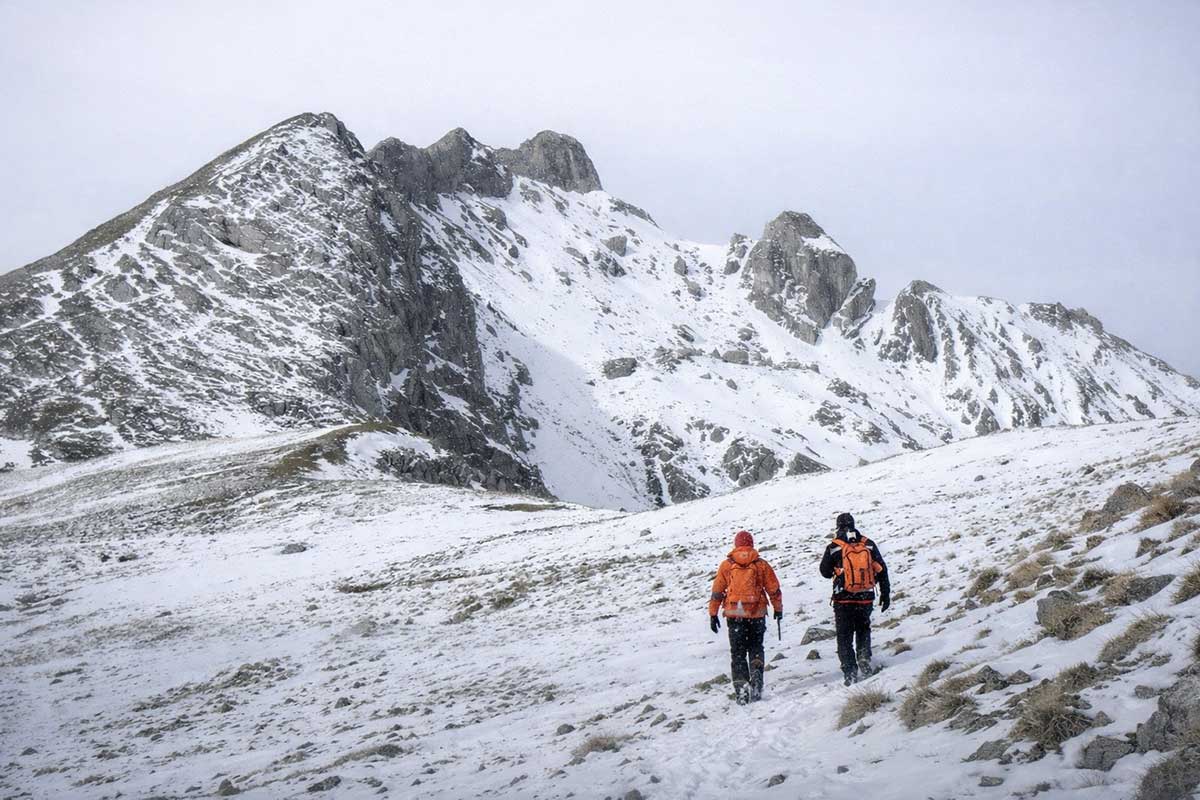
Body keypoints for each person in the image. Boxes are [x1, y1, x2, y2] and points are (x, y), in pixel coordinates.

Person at [708, 530, 783, 705]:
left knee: (738, 652)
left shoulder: (727, 565)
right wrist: (778, 609)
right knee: (756, 646)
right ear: (751, 544)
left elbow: (717, 591)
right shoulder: (761, 564)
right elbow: (774, 589)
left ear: (736, 544)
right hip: (756, 613)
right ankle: (756, 680)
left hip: (735, 614)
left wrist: (713, 613)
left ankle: (741, 689)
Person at [819, 512, 891, 686]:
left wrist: (838, 571)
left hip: (843, 598)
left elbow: (824, 572)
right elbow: (882, 569)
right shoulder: (868, 544)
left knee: (844, 636)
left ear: (838, 526)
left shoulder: (834, 546)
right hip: (865, 596)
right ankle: (864, 658)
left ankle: (850, 671)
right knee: (863, 629)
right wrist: (885, 594)